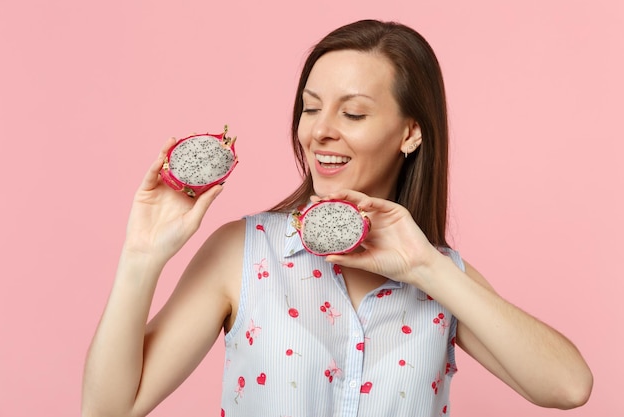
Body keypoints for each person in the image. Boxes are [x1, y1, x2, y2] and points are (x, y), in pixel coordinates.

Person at [82, 19, 593, 417]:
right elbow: (108, 409)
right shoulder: (244, 251)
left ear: (410, 133)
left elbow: (568, 387)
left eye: (352, 114)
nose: (320, 131)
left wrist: (426, 270)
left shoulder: (438, 277)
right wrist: (141, 256)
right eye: (310, 108)